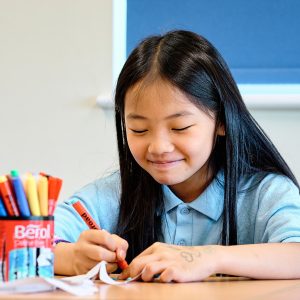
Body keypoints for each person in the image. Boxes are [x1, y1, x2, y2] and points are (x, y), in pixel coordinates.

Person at [54, 30, 300, 282]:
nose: (158, 147)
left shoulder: (266, 193)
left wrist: (207, 257)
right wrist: (71, 257)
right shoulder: (114, 194)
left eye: (180, 128)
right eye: (139, 130)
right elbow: (27, 245)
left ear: (222, 121)